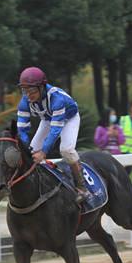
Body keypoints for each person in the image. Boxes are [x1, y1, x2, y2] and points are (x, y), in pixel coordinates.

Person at [16, 66, 91, 204]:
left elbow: (55, 130)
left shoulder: (57, 99)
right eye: (24, 90)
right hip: (48, 118)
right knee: (30, 152)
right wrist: (27, 148)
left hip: (69, 118)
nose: (28, 95)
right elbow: (22, 130)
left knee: (66, 150)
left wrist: (44, 152)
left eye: (31, 90)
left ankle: (82, 188)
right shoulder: (24, 102)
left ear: (42, 87)